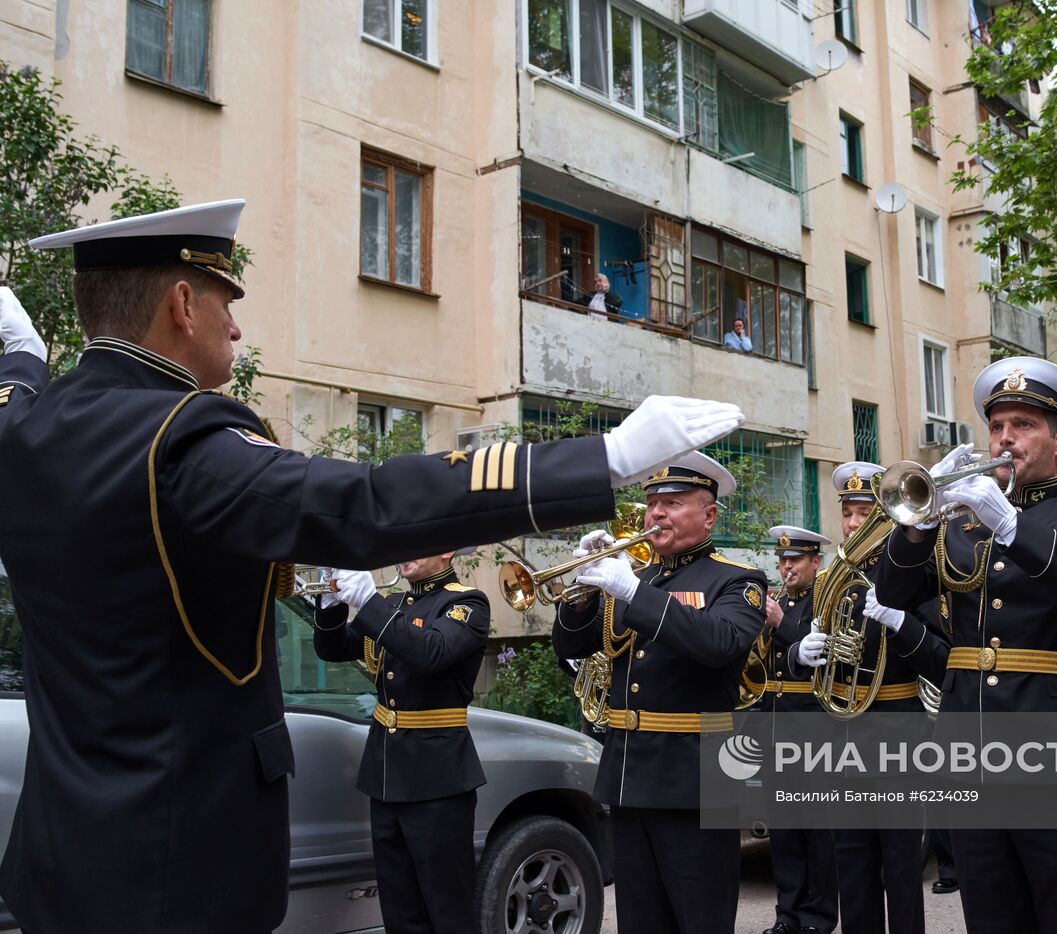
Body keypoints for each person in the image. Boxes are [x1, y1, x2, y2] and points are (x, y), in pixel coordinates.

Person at [0, 199, 745, 934]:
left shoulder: (29, 428)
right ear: (182, 303)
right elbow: (363, 503)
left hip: (62, 853)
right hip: (173, 868)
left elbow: (18, 395)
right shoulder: (178, 439)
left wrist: (23, 357)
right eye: (227, 301)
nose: (234, 324)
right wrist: (599, 459)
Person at [872, 356, 1057, 934]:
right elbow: (891, 591)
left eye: (1023, 425)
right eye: (996, 426)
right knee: (991, 914)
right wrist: (918, 524)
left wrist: (1012, 526)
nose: (1005, 438)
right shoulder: (960, 527)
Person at [552, 451, 767, 934]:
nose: (656, 514)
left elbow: (719, 644)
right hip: (629, 773)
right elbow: (569, 647)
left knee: (700, 918)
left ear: (708, 514)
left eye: (672, 502)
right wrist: (582, 589)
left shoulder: (737, 580)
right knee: (640, 920)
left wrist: (630, 591)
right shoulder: (637, 578)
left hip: (695, 779)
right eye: (651, 504)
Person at [791, 461, 937, 934]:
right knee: (849, 858)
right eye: (847, 513)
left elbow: (939, 655)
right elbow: (801, 639)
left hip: (896, 722)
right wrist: (804, 650)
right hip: (841, 727)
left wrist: (900, 622)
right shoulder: (833, 577)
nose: (853, 524)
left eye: (862, 511)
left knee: (899, 858)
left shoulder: (915, 567)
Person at [311, 550, 488, 934]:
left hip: (437, 781)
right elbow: (333, 648)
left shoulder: (466, 604)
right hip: (387, 776)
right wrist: (329, 604)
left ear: (447, 550)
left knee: (447, 911)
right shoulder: (394, 605)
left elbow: (429, 652)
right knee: (400, 912)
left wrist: (368, 603)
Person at [762, 524, 839, 934]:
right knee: (785, 830)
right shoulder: (779, 601)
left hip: (813, 724)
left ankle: (818, 917)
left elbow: (824, 654)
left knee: (817, 828)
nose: (787, 566)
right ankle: (787, 915)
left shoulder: (825, 601)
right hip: (776, 725)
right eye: (783, 560)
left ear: (816, 562)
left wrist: (780, 625)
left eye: (795, 560)